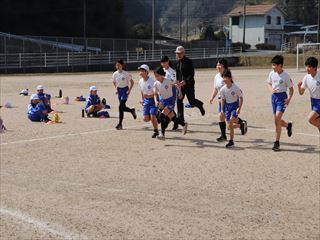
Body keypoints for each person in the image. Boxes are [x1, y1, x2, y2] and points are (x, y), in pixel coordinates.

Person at [173, 46, 205, 130]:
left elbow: (192, 74)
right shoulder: (176, 63)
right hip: (180, 86)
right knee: (179, 100)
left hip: (189, 85)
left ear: (184, 53)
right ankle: (181, 118)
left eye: (179, 53)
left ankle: (200, 105)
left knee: (191, 101)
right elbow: (176, 74)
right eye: (177, 53)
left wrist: (186, 81)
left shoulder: (189, 62)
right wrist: (177, 82)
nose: (178, 55)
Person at [267, 55, 294, 151]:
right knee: (276, 120)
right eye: (272, 65)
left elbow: (291, 89)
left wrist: (289, 99)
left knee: (277, 118)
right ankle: (288, 125)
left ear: (280, 65)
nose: (272, 67)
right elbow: (269, 83)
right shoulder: (271, 74)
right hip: (274, 98)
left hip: (282, 98)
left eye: (274, 65)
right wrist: (271, 90)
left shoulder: (286, 76)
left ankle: (276, 143)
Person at [153, 66, 187, 140]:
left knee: (162, 116)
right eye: (155, 76)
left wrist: (180, 93)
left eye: (157, 76)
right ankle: (184, 124)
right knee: (172, 117)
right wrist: (156, 101)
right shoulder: (156, 83)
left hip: (170, 101)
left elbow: (176, 83)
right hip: (162, 101)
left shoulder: (168, 80)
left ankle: (162, 134)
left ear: (161, 74)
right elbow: (155, 94)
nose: (156, 78)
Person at [220, 70, 246, 148]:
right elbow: (223, 99)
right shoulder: (223, 89)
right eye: (223, 77)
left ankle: (231, 141)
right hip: (228, 107)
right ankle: (241, 124)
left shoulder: (235, 88)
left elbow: (241, 98)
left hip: (234, 106)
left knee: (231, 121)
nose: (224, 79)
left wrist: (239, 108)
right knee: (229, 127)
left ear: (230, 78)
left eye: (226, 77)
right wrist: (222, 110)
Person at [112, 59, 137, 130]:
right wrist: (116, 89)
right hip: (119, 91)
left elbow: (132, 82)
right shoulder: (114, 74)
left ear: (122, 65)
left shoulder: (126, 74)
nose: (117, 66)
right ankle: (131, 111)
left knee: (120, 107)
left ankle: (119, 124)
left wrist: (129, 90)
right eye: (116, 65)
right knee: (122, 108)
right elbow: (114, 82)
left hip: (125, 90)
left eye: (118, 65)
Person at [297, 57, 320, 132]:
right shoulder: (306, 77)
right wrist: (298, 87)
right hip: (313, 102)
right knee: (318, 125)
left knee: (310, 119)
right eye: (306, 66)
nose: (307, 68)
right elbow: (301, 93)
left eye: (309, 67)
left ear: (315, 68)